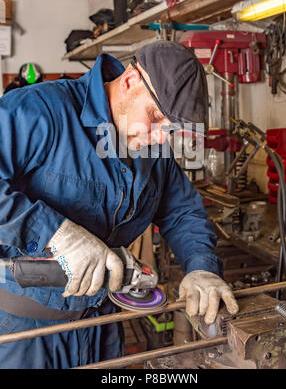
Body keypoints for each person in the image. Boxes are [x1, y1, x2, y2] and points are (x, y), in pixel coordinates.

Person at [0, 41, 238, 369]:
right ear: (129, 82)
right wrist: (57, 233)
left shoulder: (152, 149)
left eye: (169, 129)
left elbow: (182, 211)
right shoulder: (40, 110)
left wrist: (201, 268)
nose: (159, 138)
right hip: (24, 333)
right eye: (155, 117)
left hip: (102, 325)